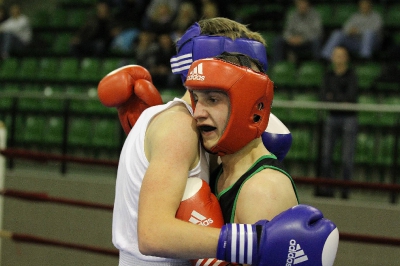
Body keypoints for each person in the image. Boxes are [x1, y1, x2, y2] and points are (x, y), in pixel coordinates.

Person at [98, 17, 339, 265]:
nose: (253, 70)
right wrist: (253, 243)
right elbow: (151, 234)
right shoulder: (180, 128)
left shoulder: (182, 126)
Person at [187, 52, 299, 225]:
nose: (198, 113)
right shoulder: (219, 169)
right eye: (196, 99)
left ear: (247, 105)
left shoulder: (263, 190)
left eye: (213, 100)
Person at [317, 46, 358, 199]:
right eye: (336, 55)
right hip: (332, 116)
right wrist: (339, 98)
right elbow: (323, 96)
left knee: (347, 158)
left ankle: (345, 191)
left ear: (346, 58)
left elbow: (351, 96)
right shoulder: (328, 75)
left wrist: (332, 96)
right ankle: (327, 190)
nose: (338, 58)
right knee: (326, 156)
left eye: (341, 55)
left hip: (349, 118)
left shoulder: (352, 75)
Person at [272, 0, 322, 65]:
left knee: (316, 41)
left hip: (307, 42)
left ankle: (317, 65)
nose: (301, 5)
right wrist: (290, 38)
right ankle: (276, 66)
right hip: (293, 40)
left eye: (303, 3)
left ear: (307, 3)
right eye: (299, 3)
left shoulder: (315, 15)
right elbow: (287, 31)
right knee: (278, 40)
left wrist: (303, 38)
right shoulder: (292, 15)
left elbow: (317, 32)